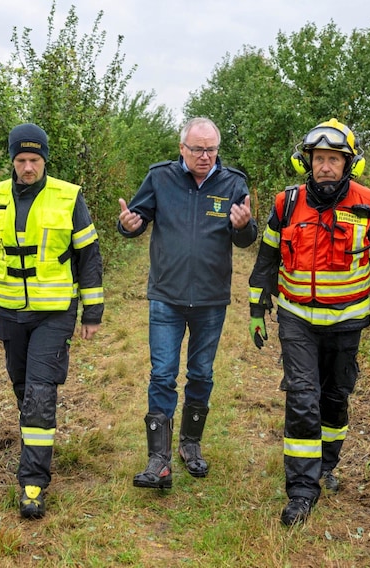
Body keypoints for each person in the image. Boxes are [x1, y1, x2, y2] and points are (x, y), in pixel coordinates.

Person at [247, 118, 370, 526]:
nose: (326, 167)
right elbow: (266, 260)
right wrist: (255, 308)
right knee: (302, 399)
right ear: (307, 162)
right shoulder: (286, 203)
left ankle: (327, 465)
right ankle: (301, 490)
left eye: (334, 159)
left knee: (335, 399)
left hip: (348, 323)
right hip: (296, 319)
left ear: (349, 164)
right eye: (319, 159)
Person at [0, 123, 104, 519]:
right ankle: (38, 438)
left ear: (45, 159)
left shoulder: (68, 196)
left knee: (40, 393)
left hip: (54, 312)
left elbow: (89, 256)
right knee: (22, 389)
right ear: (12, 161)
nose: (28, 168)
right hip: (10, 312)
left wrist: (92, 311)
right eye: (21, 160)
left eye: (34, 160)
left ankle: (33, 482)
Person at [118, 117, 257, 490]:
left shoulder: (233, 182)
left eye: (211, 149)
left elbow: (245, 240)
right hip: (166, 295)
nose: (205, 156)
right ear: (182, 148)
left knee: (201, 374)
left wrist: (244, 226)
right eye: (197, 149)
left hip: (211, 299)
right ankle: (158, 460)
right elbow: (135, 218)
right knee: (163, 374)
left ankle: (190, 445)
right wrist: (128, 225)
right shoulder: (160, 178)